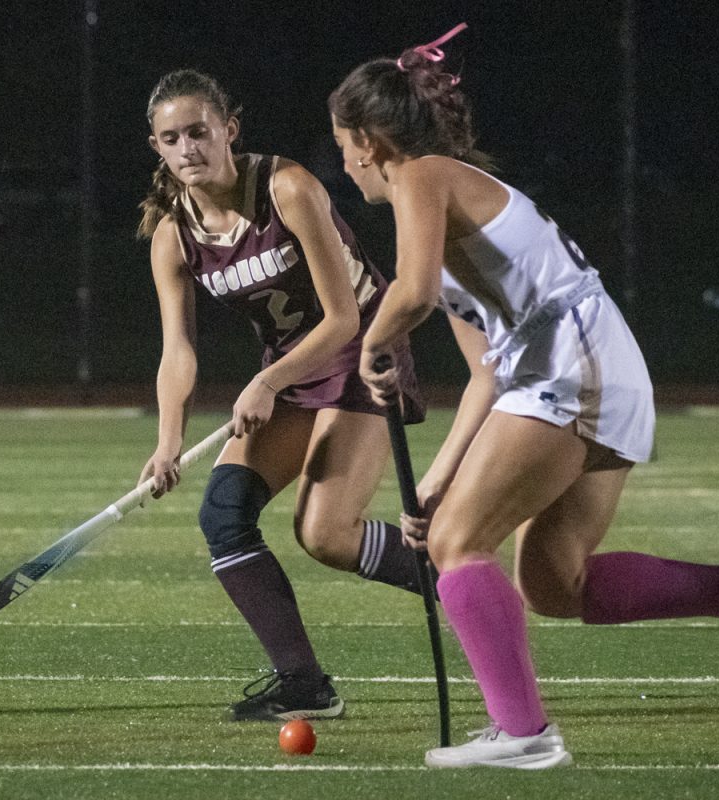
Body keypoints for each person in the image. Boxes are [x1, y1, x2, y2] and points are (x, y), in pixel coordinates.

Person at [328, 24, 719, 769]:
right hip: (593, 369)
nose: (344, 164)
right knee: (554, 582)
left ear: (367, 139)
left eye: (342, 145)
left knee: (458, 544)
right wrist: (433, 482)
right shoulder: (446, 205)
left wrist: (372, 344)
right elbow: (486, 373)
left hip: (573, 368)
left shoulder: (423, 176)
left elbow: (409, 296)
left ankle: (524, 734)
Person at [136, 69, 426, 722]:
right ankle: (303, 684)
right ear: (156, 147)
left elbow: (344, 318)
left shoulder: (288, 187)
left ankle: (457, 579)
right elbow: (177, 351)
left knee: (325, 533)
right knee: (223, 514)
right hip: (292, 371)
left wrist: (266, 381)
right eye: (172, 138)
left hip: (361, 355)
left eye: (199, 132)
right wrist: (168, 443)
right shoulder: (172, 238)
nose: (188, 148)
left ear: (228, 131)